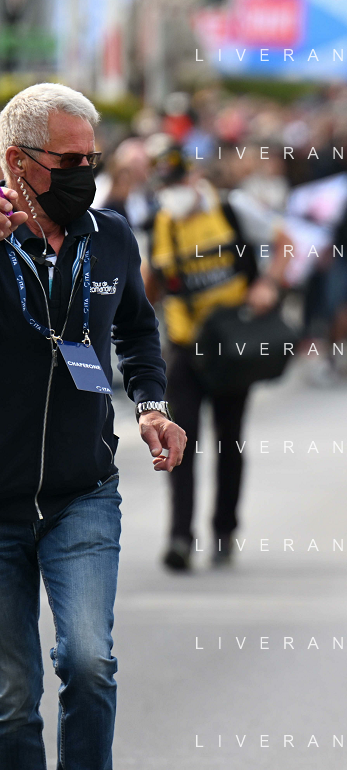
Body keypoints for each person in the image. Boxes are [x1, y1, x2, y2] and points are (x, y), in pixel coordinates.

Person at [0, 83, 185, 768]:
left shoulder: (110, 237)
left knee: (88, 663)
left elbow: (136, 329)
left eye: (92, 159)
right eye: (69, 161)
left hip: (83, 493)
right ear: (17, 161)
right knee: (10, 697)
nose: (86, 173)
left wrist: (152, 404)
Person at [142, 146, 286, 571]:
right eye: (165, 185)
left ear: (195, 177)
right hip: (185, 347)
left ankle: (225, 529)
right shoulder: (160, 222)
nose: (173, 192)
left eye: (178, 181)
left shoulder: (231, 209)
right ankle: (180, 537)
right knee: (180, 440)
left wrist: (268, 286)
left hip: (230, 347)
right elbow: (151, 284)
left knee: (230, 440)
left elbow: (286, 244)